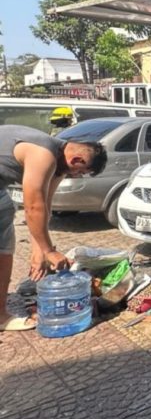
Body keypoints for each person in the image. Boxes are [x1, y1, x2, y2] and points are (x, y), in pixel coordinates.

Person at [0, 125, 107, 331]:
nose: (77, 176)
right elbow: (32, 206)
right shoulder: (44, 155)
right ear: (77, 160)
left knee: (4, 226)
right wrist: (49, 251)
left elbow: (44, 208)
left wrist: (38, 251)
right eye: (81, 172)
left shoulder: (58, 162)